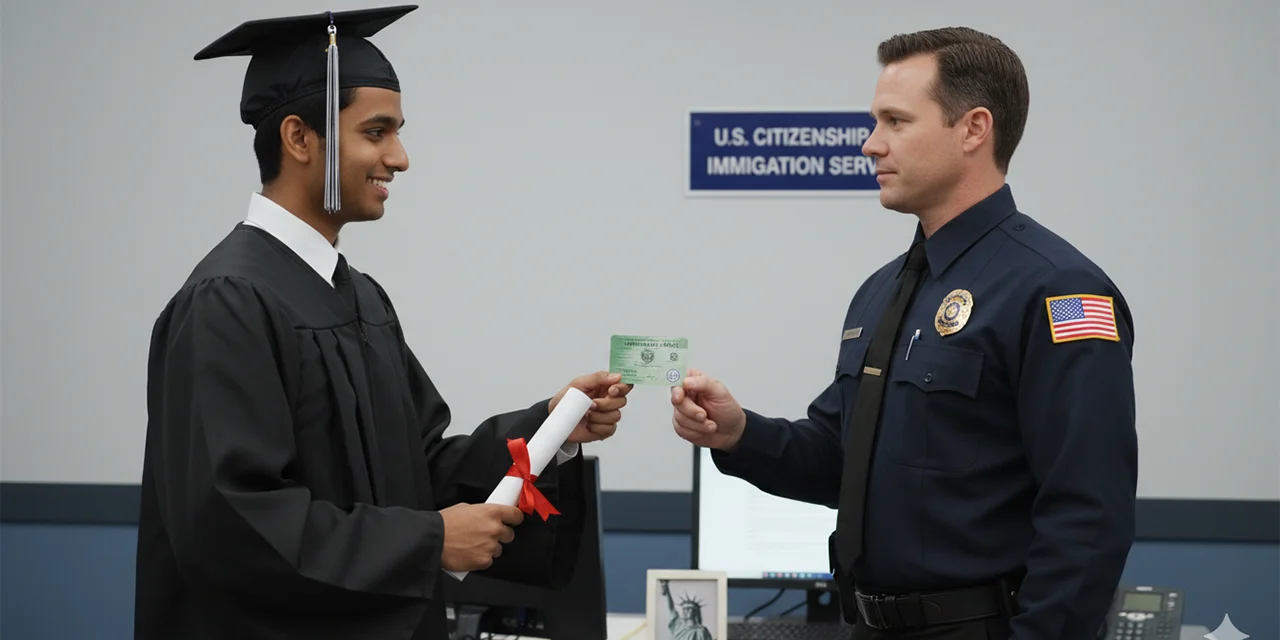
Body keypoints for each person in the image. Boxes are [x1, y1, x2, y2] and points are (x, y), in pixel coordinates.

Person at [135, 6, 632, 639]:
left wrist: (553, 428)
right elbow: (231, 526)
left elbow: (416, 470)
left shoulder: (359, 296)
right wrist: (427, 543)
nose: (399, 158)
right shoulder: (228, 302)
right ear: (298, 137)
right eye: (376, 132)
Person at [670, 26, 1137, 640]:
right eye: (875, 122)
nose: (870, 144)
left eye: (895, 122)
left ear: (973, 129)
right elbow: (843, 460)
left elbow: (1089, 515)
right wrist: (738, 435)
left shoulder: (1058, 291)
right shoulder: (884, 289)